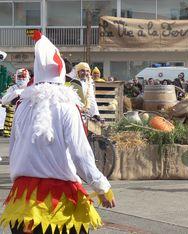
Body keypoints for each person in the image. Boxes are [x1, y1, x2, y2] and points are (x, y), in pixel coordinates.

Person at [0, 30, 115, 233]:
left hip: (23, 198)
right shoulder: (66, 105)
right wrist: (101, 186)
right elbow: (80, 152)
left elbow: (14, 149)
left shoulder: (23, 104)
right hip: (58, 200)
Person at [1, 68, 30, 137]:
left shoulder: (30, 88)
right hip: (14, 116)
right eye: (19, 76)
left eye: (23, 76)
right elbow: (4, 101)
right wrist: (14, 94)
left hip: (26, 116)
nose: (21, 78)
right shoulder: (13, 88)